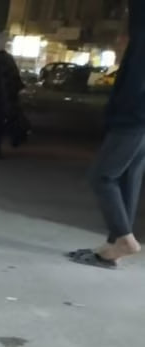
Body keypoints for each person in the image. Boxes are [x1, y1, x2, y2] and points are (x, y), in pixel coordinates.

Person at [67, 2, 145, 269]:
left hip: (135, 116)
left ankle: (123, 239)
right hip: (139, 117)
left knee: (103, 175)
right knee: (128, 176)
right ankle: (116, 243)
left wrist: (121, 113)